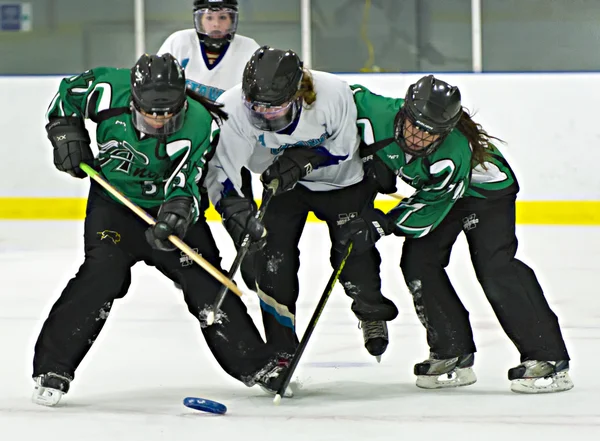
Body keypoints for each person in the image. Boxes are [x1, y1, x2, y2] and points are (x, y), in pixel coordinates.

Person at [32, 53, 289, 407]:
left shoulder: (200, 123)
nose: (160, 121)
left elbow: (188, 185)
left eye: (170, 113)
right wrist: (65, 133)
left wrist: (175, 217)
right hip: (115, 206)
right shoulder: (108, 88)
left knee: (207, 283)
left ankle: (256, 363)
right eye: (151, 113)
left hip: (170, 210)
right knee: (101, 275)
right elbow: (65, 97)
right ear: (134, 100)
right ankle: (53, 367)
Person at [337, 75, 573, 393]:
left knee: (494, 266)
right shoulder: (375, 110)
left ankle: (548, 358)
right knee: (418, 263)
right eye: (415, 125)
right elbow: (338, 95)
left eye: (430, 133)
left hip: (487, 194)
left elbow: (434, 205)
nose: (419, 137)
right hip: (441, 192)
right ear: (403, 112)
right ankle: (452, 352)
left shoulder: (454, 151)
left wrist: (384, 224)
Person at [204, 46, 399, 370]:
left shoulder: (332, 94)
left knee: (353, 255)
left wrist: (303, 160)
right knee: (272, 259)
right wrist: (234, 210)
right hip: (283, 187)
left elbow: (343, 148)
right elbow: (222, 169)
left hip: (342, 183)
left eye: (276, 110)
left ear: (299, 94)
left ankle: (371, 312)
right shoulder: (232, 107)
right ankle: (282, 349)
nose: (266, 118)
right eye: (258, 110)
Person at [158, 0, 260, 291]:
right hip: (185, 154)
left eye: (224, 17)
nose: (216, 24)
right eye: (210, 17)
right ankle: (202, 271)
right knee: (185, 216)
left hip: (228, 153)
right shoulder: (178, 44)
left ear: (234, 20)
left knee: (242, 218)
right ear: (198, 19)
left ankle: (257, 273)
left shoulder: (249, 50)